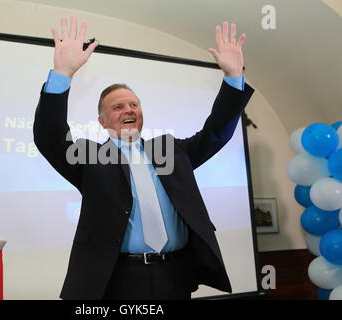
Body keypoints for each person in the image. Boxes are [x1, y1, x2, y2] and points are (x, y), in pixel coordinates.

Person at [33, 16, 254, 300]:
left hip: (176, 274)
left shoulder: (171, 150)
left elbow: (216, 133)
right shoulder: (89, 157)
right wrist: (62, 73)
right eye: (118, 106)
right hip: (119, 279)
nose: (128, 110)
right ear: (101, 121)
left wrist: (233, 78)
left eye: (134, 104)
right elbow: (49, 138)